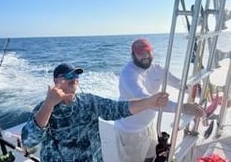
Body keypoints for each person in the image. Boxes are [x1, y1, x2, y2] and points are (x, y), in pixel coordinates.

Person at [21, 63, 172, 162]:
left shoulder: (89, 101)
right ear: (55, 81)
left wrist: (148, 102)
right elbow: (29, 141)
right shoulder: (44, 107)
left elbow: (118, 109)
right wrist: (49, 104)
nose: (73, 78)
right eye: (67, 76)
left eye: (75, 75)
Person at [114, 38, 205, 162]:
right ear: (133, 55)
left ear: (152, 52)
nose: (145, 56)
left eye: (147, 52)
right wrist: (183, 107)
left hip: (148, 126)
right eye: (140, 53)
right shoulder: (129, 74)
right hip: (130, 131)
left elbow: (180, 84)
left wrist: (205, 93)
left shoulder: (157, 69)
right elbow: (148, 101)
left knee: (151, 158)